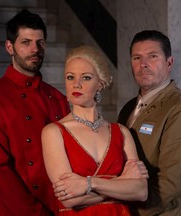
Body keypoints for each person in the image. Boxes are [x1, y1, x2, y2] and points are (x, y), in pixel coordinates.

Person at [0, 9, 70, 216]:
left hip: (57, 208)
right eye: (26, 42)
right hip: (13, 210)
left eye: (40, 43)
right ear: (9, 47)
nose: (35, 49)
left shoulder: (58, 99)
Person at [41, 45, 149, 216]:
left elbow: (141, 192)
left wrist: (88, 184)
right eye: (70, 77)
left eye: (86, 78)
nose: (76, 84)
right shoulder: (53, 132)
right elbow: (69, 199)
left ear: (100, 84)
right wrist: (121, 183)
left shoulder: (121, 132)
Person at [117, 30, 181, 215]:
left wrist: (127, 210)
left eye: (152, 56)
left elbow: (170, 184)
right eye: (137, 58)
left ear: (169, 62)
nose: (144, 64)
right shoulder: (128, 108)